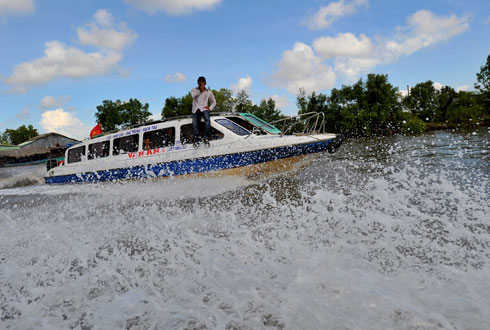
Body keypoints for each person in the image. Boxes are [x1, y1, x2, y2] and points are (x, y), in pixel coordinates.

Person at [191, 76, 216, 146]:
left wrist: (210, 108)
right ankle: (196, 139)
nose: (201, 82)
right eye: (199, 81)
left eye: (202, 81)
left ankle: (206, 137)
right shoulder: (194, 89)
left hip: (204, 108)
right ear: (198, 82)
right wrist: (200, 91)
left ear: (205, 83)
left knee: (207, 120)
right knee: (195, 124)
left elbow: (214, 102)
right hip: (196, 109)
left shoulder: (209, 92)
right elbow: (193, 96)